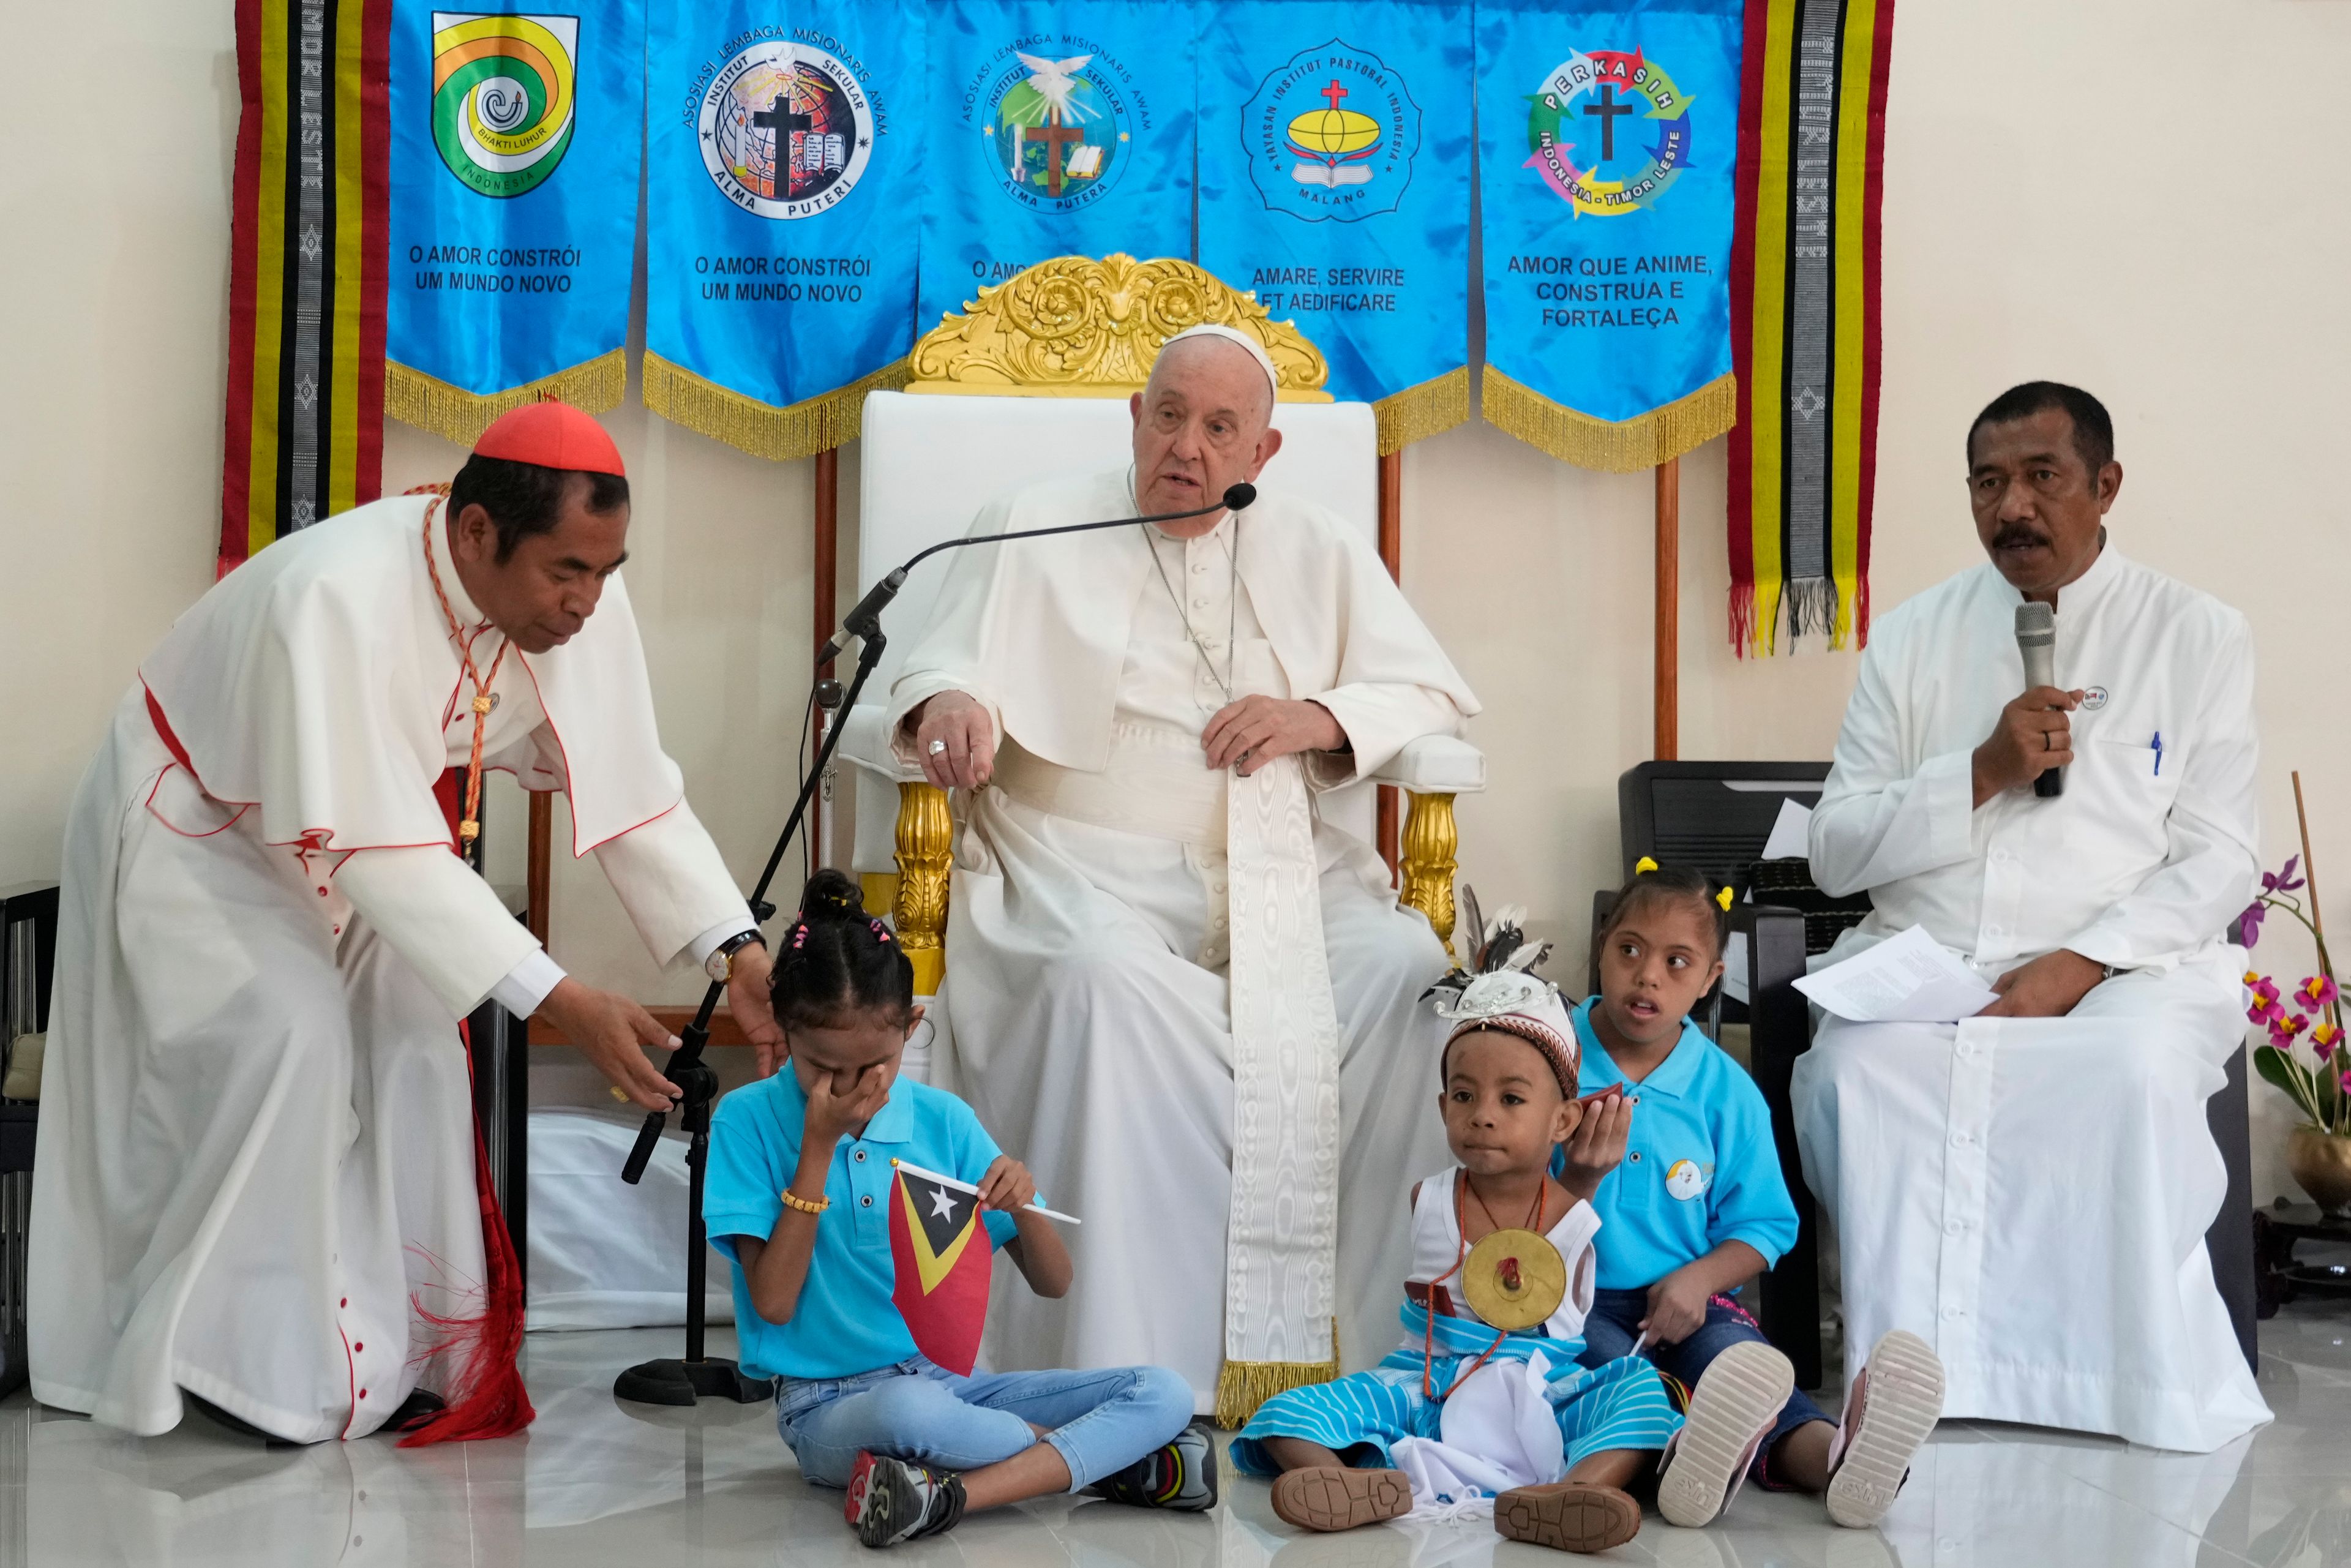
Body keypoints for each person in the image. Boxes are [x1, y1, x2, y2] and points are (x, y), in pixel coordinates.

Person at [31, 403, 782, 1444]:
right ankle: (236, 1365)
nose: (587, 602)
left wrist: (731, 946)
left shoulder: (581, 605)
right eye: (567, 570)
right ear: (477, 533)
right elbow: (379, 849)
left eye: (606, 571)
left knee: (421, 1037)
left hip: (363, 842)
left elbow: (633, 793)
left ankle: (418, 1351)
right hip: (202, 822)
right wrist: (563, 997)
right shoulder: (334, 594)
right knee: (289, 1034)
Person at [882, 324, 1480, 1420]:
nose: (1188, 448)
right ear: (1135, 419)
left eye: (1219, 428)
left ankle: (1366, 1353)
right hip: (1077, 863)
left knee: (1401, 961)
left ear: (1264, 452)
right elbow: (938, 662)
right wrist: (954, 701)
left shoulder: (1321, 548)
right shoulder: (1034, 521)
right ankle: (1127, 1364)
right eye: (1170, 417)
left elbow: (1430, 694)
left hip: (1284, 864)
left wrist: (1318, 715)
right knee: (1098, 982)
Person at [1796, 381, 2270, 1451]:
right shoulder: (1913, 636)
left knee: (2131, 1072)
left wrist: (2084, 963)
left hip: (2128, 971)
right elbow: (1834, 851)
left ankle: (2118, 1384)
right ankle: (1906, 1380)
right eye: (1988, 483)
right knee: (1860, 1073)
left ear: (2105, 487)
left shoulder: (2195, 635)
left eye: (2041, 478)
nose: (2012, 507)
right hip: (1936, 962)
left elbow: (2220, 858)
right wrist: (1981, 771)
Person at [705, 871, 1210, 1550]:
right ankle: (1105, 1461)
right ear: (785, 1032)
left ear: (911, 1026)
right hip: (825, 1405)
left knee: (1165, 1390)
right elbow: (771, 1301)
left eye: (876, 1064)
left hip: (951, 1387)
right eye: (822, 1065)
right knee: (907, 1411)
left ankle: (950, 1496)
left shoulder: (943, 1118)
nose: (851, 1086)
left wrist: (1024, 1201)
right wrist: (817, 1149)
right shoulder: (747, 1118)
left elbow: (1054, 1280)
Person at [1233, 953, 1796, 1555]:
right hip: (1425, 1381)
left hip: (1542, 1386)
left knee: (1641, 1394)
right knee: (1285, 1409)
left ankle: (1574, 1492)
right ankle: (1346, 1483)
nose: (1482, 1114)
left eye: (1511, 1099)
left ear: (1563, 1119)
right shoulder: (1431, 1196)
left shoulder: (1577, 1218)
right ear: (1442, 1105)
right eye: (1465, 1094)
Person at [1572, 863, 1944, 1529]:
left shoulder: (1725, 1090)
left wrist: (1697, 1280)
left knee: (1746, 1372)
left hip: (1692, 1295)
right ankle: (1689, 1445)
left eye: (1676, 961)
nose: (1647, 975)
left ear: (1711, 978)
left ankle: (1840, 1459)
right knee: (1599, 1377)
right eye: (1629, 949)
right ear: (1601, 944)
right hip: (1574, 1300)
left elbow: (1767, 1224)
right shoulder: (1551, 1057)